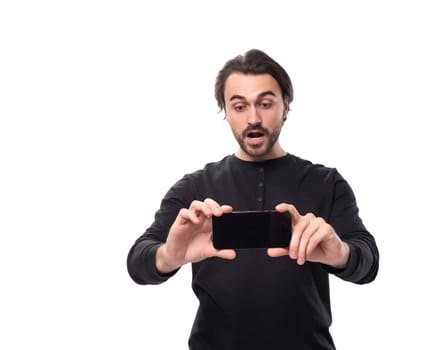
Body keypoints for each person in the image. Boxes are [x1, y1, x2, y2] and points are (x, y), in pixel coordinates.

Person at [127, 49, 379, 350]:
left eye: (265, 103)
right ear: (225, 111)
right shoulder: (193, 188)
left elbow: (369, 262)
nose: (254, 118)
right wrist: (169, 255)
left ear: (286, 106)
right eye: (239, 106)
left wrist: (341, 254)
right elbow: (137, 261)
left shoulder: (326, 183)